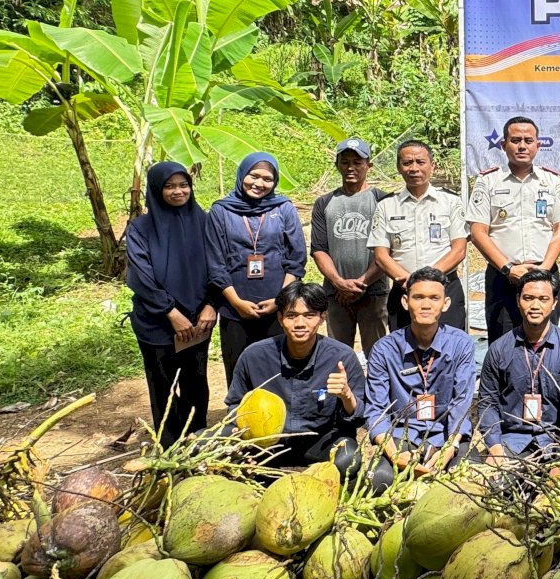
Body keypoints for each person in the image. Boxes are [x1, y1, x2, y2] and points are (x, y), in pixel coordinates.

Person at [358, 266, 478, 488]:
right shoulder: (384, 349)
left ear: (446, 303)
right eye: (418, 297)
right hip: (400, 435)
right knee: (380, 481)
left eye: (434, 298)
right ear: (405, 302)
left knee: (467, 480)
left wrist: (450, 447)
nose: (425, 305)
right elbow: (376, 409)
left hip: (446, 434)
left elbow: (461, 402)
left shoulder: (461, 344)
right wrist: (394, 455)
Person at [123, 162, 217, 446]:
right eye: (170, 186)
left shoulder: (204, 221)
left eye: (183, 185)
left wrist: (211, 304)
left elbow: (219, 264)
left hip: (199, 320)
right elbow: (140, 276)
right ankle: (169, 445)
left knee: (196, 382)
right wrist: (170, 312)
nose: (178, 191)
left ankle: (197, 441)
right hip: (157, 323)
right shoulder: (140, 228)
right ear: (156, 189)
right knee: (162, 385)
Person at [225, 282, 366, 468]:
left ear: (322, 317)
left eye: (309, 315)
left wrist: (347, 396)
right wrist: (242, 431)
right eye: (292, 316)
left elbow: (360, 415)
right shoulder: (254, 356)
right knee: (211, 442)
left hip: (321, 441)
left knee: (348, 460)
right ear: (280, 317)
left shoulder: (342, 357)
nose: (300, 324)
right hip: (267, 444)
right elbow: (235, 404)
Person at [206, 151, 306, 384]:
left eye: (267, 179)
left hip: (277, 307)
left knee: (279, 370)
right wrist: (236, 302)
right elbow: (215, 263)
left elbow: (297, 257)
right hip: (235, 309)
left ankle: (278, 418)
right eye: (253, 176)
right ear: (242, 174)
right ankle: (241, 417)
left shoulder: (283, 208)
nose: (259, 183)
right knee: (239, 370)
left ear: (275, 182)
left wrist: (280, 300)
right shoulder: (221, 210)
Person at [468, 116, 560, 342]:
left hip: (544, 275)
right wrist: (507, 268)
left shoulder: (551, 181)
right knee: (503, 344)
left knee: (546, 343)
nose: (522, 146)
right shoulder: (488, 182)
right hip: (502, 277)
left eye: (528, 140)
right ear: (503, 145)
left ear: (538, 145)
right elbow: (477, 231)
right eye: (515, 140)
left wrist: (544, 268)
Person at [478, 268, 560, 458]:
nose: (535, 305)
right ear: (518, 301)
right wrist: (495, 448)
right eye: (528, 298)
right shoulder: (499, 349)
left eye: (543, 299)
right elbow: (488, 403)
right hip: (510, 441)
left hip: (555, 441)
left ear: (554, 303)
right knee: (492, 484)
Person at [370, 140, 469, 332]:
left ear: (432, 166)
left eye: (420, 162)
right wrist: (409, 281)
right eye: (407, 163)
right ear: (399, 167)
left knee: (451, 349)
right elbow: (381, 255)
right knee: (404, 352)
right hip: (404, 289)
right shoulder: (386, 206)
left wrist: (426, 280)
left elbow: (459, 249)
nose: (414, 168)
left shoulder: (451, 202)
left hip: (445, 287)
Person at [310, 137, 389, 357]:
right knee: (337, 353)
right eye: (345, 162)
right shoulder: (325, 202)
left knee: (378, 353)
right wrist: (338, 283)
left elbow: (388, 249)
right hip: (336, 294)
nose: (351, 168)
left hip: (374, 291)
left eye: (357, 162)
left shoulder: (383, 200)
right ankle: (342, 392)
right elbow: (319, 249)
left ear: (368, 166)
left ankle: (376, 392)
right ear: (337, 165)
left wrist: (361, 283)